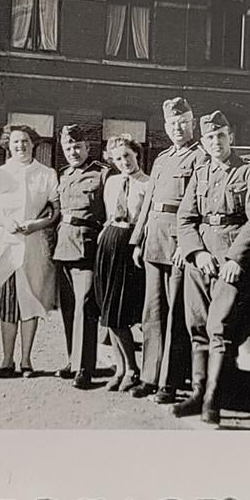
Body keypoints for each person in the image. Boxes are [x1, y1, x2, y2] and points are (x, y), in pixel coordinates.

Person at [174, 110, 250, 425]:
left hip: (230, 258)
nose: (216, 142)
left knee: (219, 329)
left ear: (232, 137)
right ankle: (198, 393)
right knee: (197, 327)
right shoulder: (200, 173)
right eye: (210, 137)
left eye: (221, 135)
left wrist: (235, 259)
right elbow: (185, 218)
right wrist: (196, 253)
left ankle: (213, 400)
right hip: (201, 259)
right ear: (203, 142)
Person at [129, 97, 206, 402]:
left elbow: (198, 204)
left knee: (175, 315)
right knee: (152, 313)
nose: (178, 127)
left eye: (183, 122)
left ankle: (169, 383)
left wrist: (188, 245)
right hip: (154, 239)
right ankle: (149, 376)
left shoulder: (199, 157)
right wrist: (137, 240)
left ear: (193, 123)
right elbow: (148, 203)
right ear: (165, 126)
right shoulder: (161, 158)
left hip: (178, 242)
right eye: (173, 123)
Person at [0, 124, 60, 378]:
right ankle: (7, 359)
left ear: (33, 144)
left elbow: (55, 210)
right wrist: (2, 221)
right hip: (4, 246)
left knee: (31, 301)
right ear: (7, 146)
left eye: (25, 141)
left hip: (34, 247)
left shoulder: (46, 174)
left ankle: (26, 361)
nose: (20, 146)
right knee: (9, 305)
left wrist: (37, 224)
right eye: (15, 142)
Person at [53, 124, 110, 389]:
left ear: (88, 147)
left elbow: (111, 214)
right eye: (68, 148)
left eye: (77, 147)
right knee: (68, 308)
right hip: (64, 246)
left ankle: (86, 368)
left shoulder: (103, 174)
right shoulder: (63, 175)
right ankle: (72, 359)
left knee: (86, 306)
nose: (73, 152)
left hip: (88, 247)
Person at [94, 135, 150, 391]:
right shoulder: (112, 182)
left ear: (136, 154)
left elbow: (145, 223)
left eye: (127, 155)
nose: (124, 162)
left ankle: (133, 369)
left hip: (130, 245)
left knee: (120, 312)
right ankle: (120, 368)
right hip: (109, 243)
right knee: (108, 311)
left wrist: (137, 245)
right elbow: (108, 215)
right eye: (118, 158)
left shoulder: (148, 184)